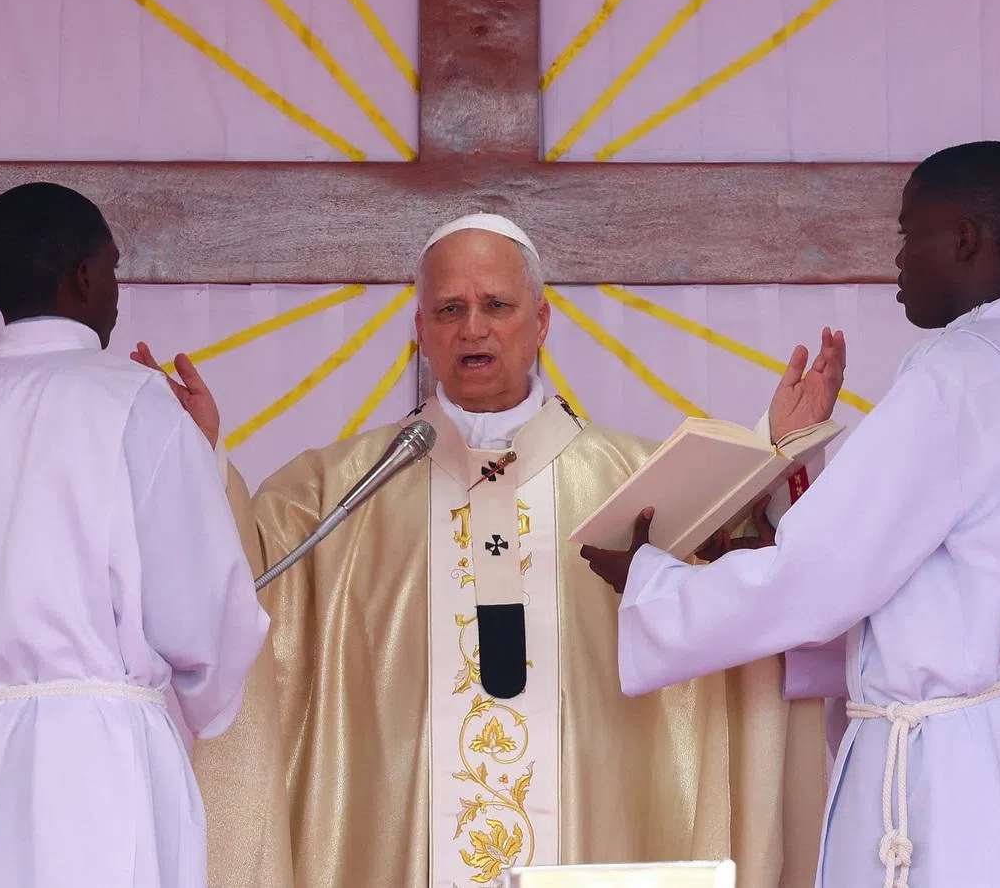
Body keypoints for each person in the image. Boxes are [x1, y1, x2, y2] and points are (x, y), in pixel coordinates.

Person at [139, 211, 846, 888]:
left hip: (593, 837)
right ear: (420, 330)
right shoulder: (330, 493)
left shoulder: (638, 486)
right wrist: (198, 462)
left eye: (497, 305)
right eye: (448, 310)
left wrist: (774, 458)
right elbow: (245, 587)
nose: (472, 328)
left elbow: (742, 587)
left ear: (540, 321)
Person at [586, 140, 1000, 888]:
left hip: (944, 777)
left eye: (909, 234)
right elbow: (929, 563)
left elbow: (821, 579)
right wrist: (792, 465)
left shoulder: (956, 374)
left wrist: (653, 584)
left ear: (966, 239)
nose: (897, 261)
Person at [0, 182, 268, 888]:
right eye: (113, 268)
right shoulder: (135, 401)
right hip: (109, 751)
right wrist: (207, 704)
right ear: (82, 274)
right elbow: (202, 604)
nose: (116, 291)